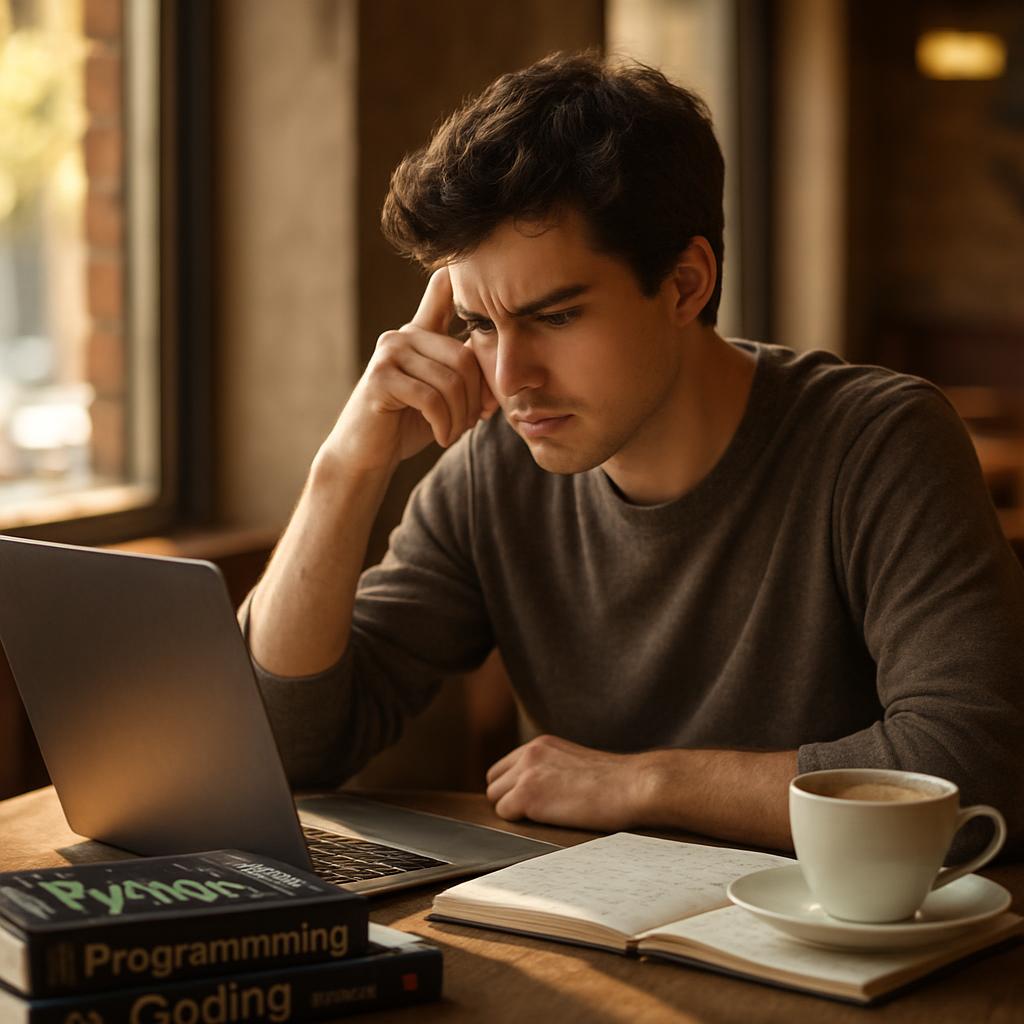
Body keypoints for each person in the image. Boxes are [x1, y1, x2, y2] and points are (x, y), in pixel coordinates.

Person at [240, 52, 1024, 854]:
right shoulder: (493, 471)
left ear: (686, 284)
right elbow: (288, 745)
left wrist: (644, 783)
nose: (511, 380)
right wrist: (345, 468)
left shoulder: (879, 446)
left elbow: (974, 769)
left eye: (555, 317)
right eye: (478, 324)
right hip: (608, 943)